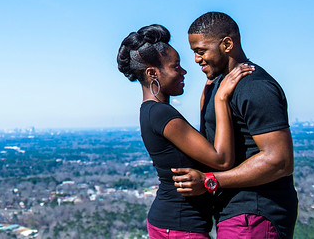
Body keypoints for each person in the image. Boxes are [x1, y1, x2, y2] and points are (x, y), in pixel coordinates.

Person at [118, 24, 254, 239]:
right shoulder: (161, 114)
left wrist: (205, 100)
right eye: (176, 66)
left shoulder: (151, 111)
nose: (183, 71)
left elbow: (198, 148)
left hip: (170, 223)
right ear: (153, 73)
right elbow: (221, 160)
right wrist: (220, 99)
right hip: (181, 227)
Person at [172, 12, 298, 239]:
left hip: (256, 214)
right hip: (235, 214)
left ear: (227, 44)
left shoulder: (255, 87)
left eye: (201, 51)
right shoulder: (220, 86)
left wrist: (210, 181)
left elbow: (279, 161)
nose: (196, 60)